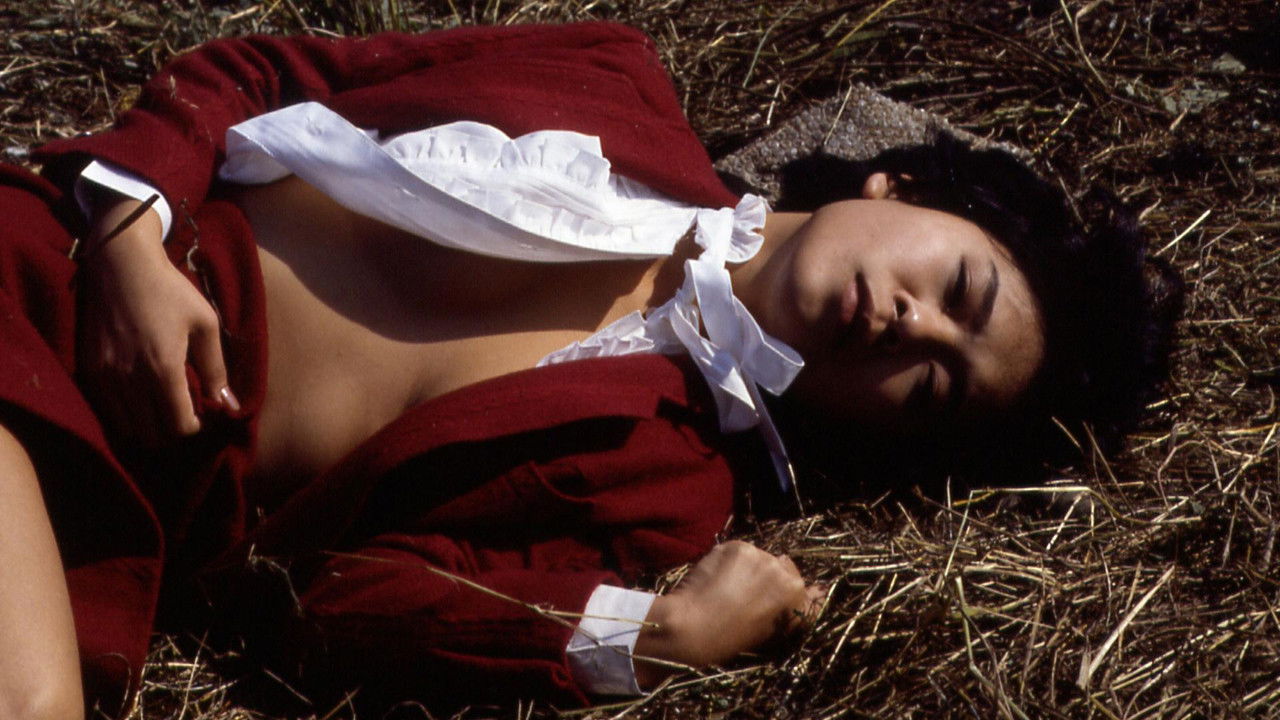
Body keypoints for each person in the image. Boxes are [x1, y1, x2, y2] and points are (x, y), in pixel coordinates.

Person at [0, 21, 1178, 720]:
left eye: (932, 383)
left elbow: (338, 605)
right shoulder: (608, 78)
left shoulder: (667, 488)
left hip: (94, 507)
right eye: (956, 289)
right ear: (902, 187)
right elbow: (266, 71)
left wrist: (653, 637)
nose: (910, 328)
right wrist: (131, 236)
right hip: (41, 276)